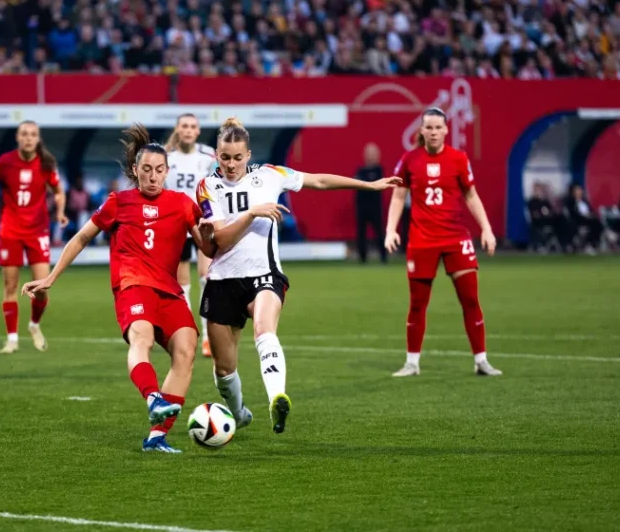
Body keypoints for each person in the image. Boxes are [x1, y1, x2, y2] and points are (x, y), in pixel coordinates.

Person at [196, 117, 401, 435]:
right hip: (222, 279)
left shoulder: (270, 175)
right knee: (224, 369)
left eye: (238, 157)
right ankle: (238, 412)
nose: (231, 164)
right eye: (225, 157)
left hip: (264, 274)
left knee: (265, 330)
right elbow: (220, 241)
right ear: (217, 155)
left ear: (249, 155)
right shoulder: (208, 187)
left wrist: (369, 185)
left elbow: (318, 181)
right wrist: (252, 213)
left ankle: (276, 396)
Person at [21, 124, 215, 454]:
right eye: (146, 170)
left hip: (169, 290)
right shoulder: (119, 202)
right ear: (135, 171)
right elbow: (82, 237)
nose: (153, 177)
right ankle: (153, 397)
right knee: (143, 338)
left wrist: (211, 229)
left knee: (186, 350)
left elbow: (207, 249)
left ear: (168, 171)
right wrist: (51, 278)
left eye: (159, 170)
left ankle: (157, 436)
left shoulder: (183, 204)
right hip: (132, 284)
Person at [384, 107, 501, 377]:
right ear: (422, 131)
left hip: (455, 238)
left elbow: (471, 195)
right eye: (429, 128)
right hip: (422, 240)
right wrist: (391, 230)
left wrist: (486, 229)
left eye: (438, 127)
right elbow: (399, 196)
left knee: (470, 298)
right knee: (417, 303)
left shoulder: (459, 159)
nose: (434, 132)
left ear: (447, 130)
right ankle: (412, 363)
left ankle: (481, 360)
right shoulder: (409, 159)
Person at [0, 121, 68, 355]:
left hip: (38, 230)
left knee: (42, 287)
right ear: (17, 137)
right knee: (10, 286)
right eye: (24, 134)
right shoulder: (5, 162)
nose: (29, 138)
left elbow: (59, 192)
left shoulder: (46, 163)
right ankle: (11, 339)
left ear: (38, 138)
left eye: (33, 134)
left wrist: (60, 213)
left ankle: (34, 325)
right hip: (10, 230)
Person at [165, 113, 217, 356]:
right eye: (184, 125)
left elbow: (218, 185)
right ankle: (187, 333)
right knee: (182, 284)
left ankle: (208, 336)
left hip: (202, 223)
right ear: (178, 129)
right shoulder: (166, 158)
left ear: (198, 131)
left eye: (192, 126)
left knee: (207, 277)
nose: (188, 130)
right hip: (175, 225)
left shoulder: (208, 156)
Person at [355, 142, 387, 264]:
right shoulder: (360, 171)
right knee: (361, 234)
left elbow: (371, 184)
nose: (370, 156)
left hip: (375, 208)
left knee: (379, 233)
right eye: (368, 154)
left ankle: (383, 257)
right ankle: (362, 257)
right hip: (362, 208)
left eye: (373, 154)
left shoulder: (379, 171)